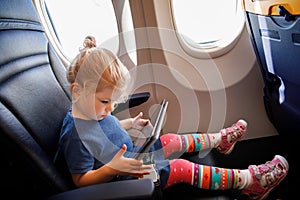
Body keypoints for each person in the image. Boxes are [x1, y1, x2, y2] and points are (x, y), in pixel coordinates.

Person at [58, 36, 289, 200]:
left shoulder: (93, 111)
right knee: (180, 166)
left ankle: (221, 140)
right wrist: (111, 168)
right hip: (125, 178)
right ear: (77, 91)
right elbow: (80, 180)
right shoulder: (76, 136)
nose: (110, 109)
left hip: (133, 156)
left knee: (169, 139)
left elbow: (108, 126)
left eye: (113, 103)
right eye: (105, 102)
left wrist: (130, 124)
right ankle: (249, 182)